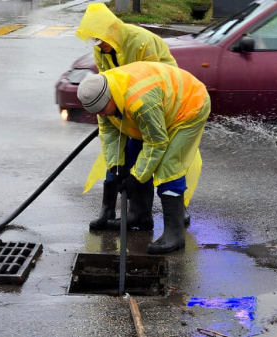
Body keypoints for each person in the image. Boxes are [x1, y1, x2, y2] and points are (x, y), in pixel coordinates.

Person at [77, 62, 210, 254]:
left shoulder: (140, 100)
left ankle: (175, 233)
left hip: (188, 107)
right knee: (132, 156)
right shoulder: (103, 96)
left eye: (103, 109)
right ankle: (140, 217)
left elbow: (156, 142)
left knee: (168, 166)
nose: (101, 114)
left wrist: (136, 178)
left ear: (111, 97)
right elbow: (109, 131)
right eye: (97, 112)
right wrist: (117, 165)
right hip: (158, 107)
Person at [76, 3, 184, 231]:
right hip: (123, 103)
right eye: (94, 40)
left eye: (100, 38)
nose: (98, 44)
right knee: (116, 155)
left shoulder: (142, 41)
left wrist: (132, 114)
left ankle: (175, 209)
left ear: (111, 31)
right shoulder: (101, 50)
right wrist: (110, 113)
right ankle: (116, 210)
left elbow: (155, 80)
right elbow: (106, 83)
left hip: (157, 101)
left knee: (158, 154)